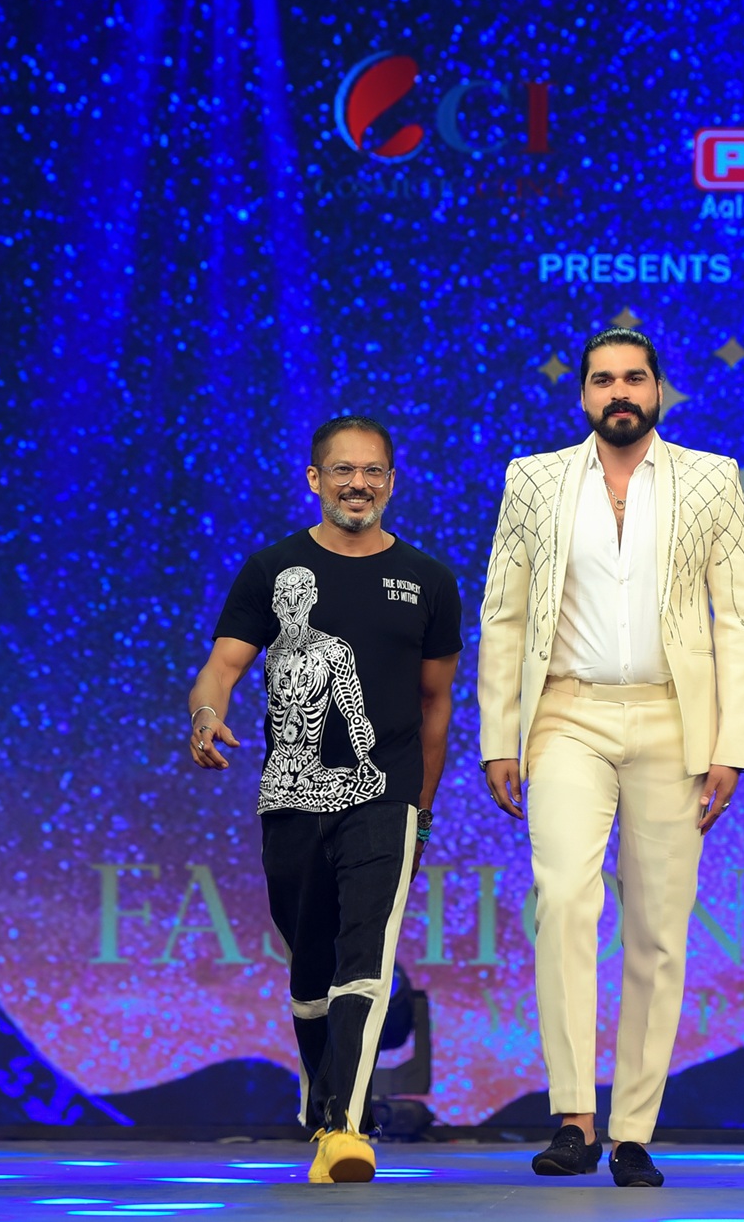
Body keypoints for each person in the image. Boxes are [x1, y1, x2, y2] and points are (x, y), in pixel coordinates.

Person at [477, 328, 744, 1187]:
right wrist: (498, 736)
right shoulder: (533, 479)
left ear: (658, 390)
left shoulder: (710, 478)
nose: (618, 391)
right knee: (564, 900)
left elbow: (738, 616)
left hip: (674, 720)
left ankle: (634, 1128)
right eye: (602, 379)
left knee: (658, 929)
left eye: (633, 377)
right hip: (566, 713)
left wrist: (731, 744)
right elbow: (503, 614)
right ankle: (573, 1114)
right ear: (583, 395)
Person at [185, 416, 461, 1184]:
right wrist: (206, 715)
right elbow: (221, 667)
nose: (357, 484)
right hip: (289, 795)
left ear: (390, 482)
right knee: (309, 965)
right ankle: (324, 1098)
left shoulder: (428, 580)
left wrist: (418, 808)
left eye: (372, 471)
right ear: (315, 479)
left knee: (364, 955)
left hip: (382, 794)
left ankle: (345, 1125)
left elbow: (433, 702)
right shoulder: (269, 567)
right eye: (342, 470)